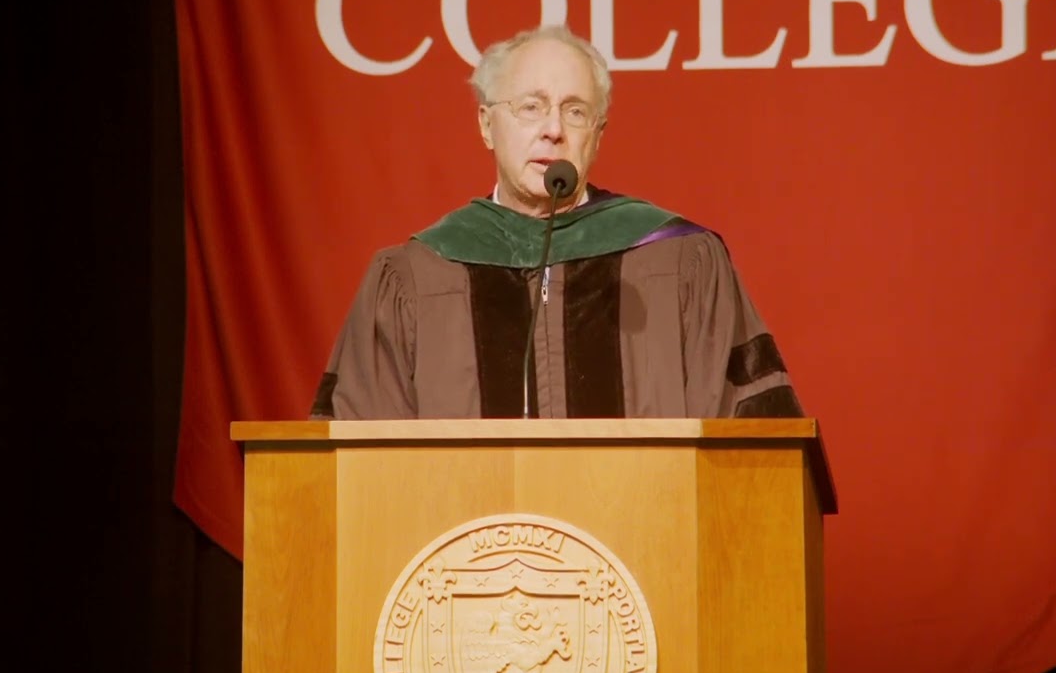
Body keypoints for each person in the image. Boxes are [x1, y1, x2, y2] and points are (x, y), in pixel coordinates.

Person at [310, 24, 803, 420]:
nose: (553, 130)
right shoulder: (415, 277)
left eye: (575, 111)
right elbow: (356, 464)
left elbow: (752, 449)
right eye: (531, 107)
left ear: (598, 135)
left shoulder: (678, 260)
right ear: (486, 124)